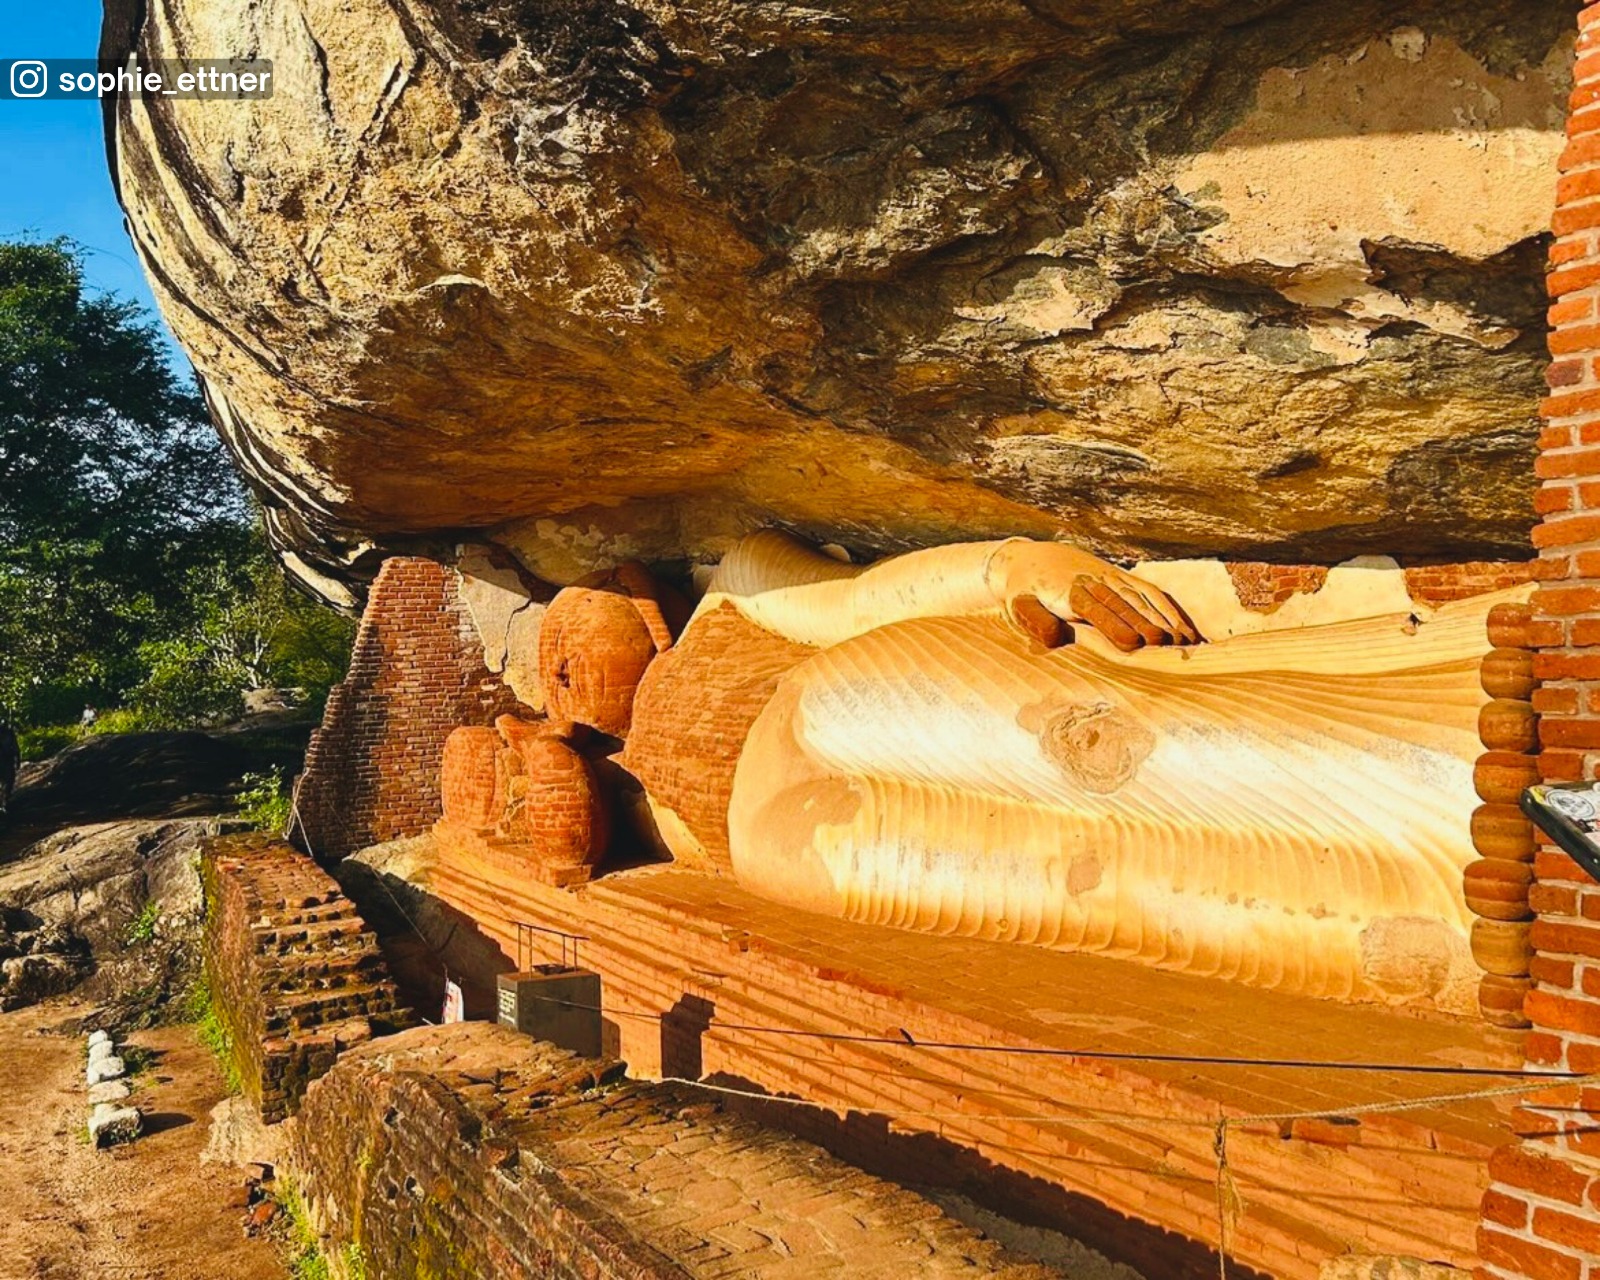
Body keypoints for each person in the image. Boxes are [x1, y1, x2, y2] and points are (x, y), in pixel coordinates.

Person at [0, 719, 19, 815]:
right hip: (4, 761)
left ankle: (5, 803)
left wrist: (17, 760)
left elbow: (15, 747)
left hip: (7, 761)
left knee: (8, 783)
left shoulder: (9, 733)